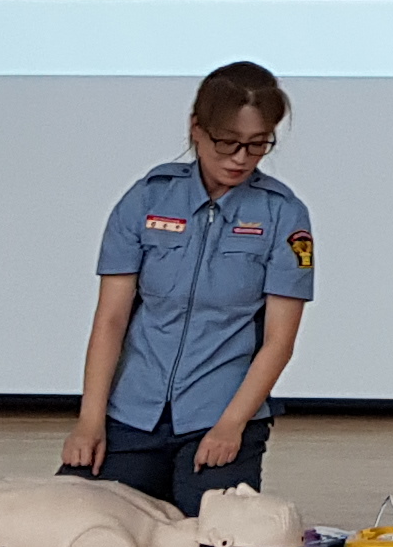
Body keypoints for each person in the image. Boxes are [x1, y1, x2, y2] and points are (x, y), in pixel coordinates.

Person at [65, 61, 314, 512]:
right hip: (132, 414)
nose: (240, 158)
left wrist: (231, 426)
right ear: (196, 129)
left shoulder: (283, 213)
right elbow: (111, 320)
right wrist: (89, 422)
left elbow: (279, 341)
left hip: (219, 415)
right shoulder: (147, 198)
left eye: (258, 145)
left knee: (221, 540)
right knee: (73, 524)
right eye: (227, 142)